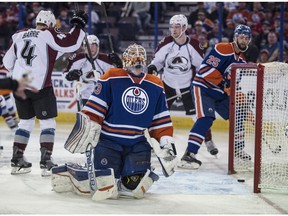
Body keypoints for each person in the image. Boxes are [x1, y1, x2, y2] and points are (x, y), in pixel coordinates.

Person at [52, 44, 177, 200]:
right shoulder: (112, 76)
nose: (136, 63)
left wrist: (166, 144)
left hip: (137, 143)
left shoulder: (155, 84)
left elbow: (160, 120)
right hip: (109, 142)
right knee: (103, 182)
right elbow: (94, 110)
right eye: (134, 60)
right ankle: (71, 173)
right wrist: (90, 127)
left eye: (138, 60)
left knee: (132, 188)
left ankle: (125, 175)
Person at [3, 9, 89, 176]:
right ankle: (45, 162)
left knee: (25, 123)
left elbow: (7, 63)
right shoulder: (48, 34)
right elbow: (71, 43)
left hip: (20, 86)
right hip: (40, 87)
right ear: (50, 24)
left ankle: (17, 159)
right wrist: (78, 25)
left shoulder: (20, 35)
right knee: (47, 122)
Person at [178, 24, 252, 169]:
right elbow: (205, 70)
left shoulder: (242, 61)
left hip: (219, 92)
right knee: (206, 119)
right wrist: (225, 85)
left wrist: (237, 95)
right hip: (204, 88)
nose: (243, 41)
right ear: (235, 37)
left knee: (238, 114)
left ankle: (238, 151)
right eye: (241, 37)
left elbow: (233, 84)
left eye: (246, 38)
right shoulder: (222, 48)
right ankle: (189, 155)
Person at [148, 14, 218, 157]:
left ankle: (208, 140)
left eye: (177, 26)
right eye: (172, 26)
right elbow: (158, 61)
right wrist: (152, 67)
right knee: (157, 114)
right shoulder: (166, 42)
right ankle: (153, 142)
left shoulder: (193, 45)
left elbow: (201, 67)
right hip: (168, 85)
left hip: (188, 87)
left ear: (184, 28)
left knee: (200, 116)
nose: (173, 30)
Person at [64, 34, 122, 110]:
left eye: (93, 45)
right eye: (88, 45)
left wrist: (119, 65)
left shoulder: (107, 59)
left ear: (98, 46)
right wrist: (69, 76)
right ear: (84, 47)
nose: (91, 48)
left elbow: (118, 77)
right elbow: (65, 76)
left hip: (102, 98)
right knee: (84, 121)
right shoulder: (77, 59)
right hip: (83, 97)